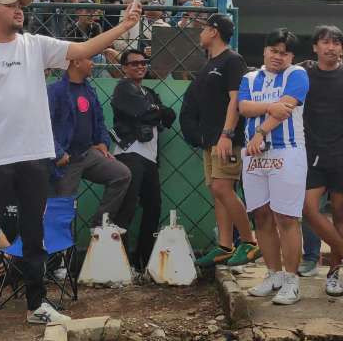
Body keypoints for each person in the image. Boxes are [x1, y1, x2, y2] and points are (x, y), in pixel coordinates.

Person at [0, 0, 143, 335]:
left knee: (35, 235)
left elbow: (83, 49)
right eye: (10, 5)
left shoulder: (35, 44)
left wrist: (124, 27)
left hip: (35, 156)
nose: (19, 10)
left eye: (21, 5)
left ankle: (37, 305)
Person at [180, 14, 260, 269]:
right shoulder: (208, 63)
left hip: (226, 138)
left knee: (223, 188)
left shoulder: (232, 60)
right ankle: (225, 246)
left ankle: (249, 241)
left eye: (204, 28)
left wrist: (227, 134)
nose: (200, 33)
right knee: (217, 191)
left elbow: (235, 100)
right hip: (210, 139)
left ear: (214, 31)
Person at [238, 29, 310, 305]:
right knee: (262, 216)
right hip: (254, 156)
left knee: (286, 218)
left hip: (287, 151)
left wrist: (259, 133)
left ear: (291, 56)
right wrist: (271, 105)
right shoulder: (249, 77)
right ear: (265, 50)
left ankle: (292, 280)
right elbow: (244, 107)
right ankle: (273, 274)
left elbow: (287, 108)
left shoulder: (298, 74)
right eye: (274, 50)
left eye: (285, 52)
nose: (278, 56)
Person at [296, 26, 343, 296]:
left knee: (340, 212)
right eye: (325, 42)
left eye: (336, 43)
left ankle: (335, 272)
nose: (331, 47)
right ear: (315, 47)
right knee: (308, 208)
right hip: (312, 153)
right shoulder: (304, 74)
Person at [112, 49, 175, 270]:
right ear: (125, 68)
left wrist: (153, 110)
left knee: (153, 207)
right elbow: (144, 113)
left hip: (149, 157)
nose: (140, 66)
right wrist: (155, 111)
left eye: (143, 62)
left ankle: (143, 260)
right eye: (134, 63)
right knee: (126, 209)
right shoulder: (122, 89)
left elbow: (169, 117)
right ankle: (122, 263)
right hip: (130, 154)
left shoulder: (149, 92)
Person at [48, 57, 131, 226]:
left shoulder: (89, 90)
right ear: (76, 62)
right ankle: (60, 249)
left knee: (121, 175)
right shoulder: (55, 91)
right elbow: (43, 126)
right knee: (62, 210)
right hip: (66, 160)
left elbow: (99, 120)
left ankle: (100, 226)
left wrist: (102, 142)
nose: (93, 63)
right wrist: (58, 153)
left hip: (87, 154)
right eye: (89, 60)